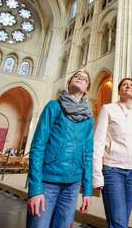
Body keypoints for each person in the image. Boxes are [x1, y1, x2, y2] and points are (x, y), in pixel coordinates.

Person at [27, 69, 94, 228]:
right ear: (69, 82)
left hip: (73, 185)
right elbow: (38, 146)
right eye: (76, 76)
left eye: (84, 79)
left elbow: (88, 154)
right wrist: (35, 189)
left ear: (86, 89)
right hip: (48, 181)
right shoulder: (53, 106)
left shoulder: (88, 118)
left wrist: (88, 190)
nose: (80, 78)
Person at [93, 78, 132, 228]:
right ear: (119, 90)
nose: (128, 86)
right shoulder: (108, 109)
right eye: (124, 85)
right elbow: (98, 142)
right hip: (113, 169)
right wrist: (96, 175)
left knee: (120, 220)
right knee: (119, 221)